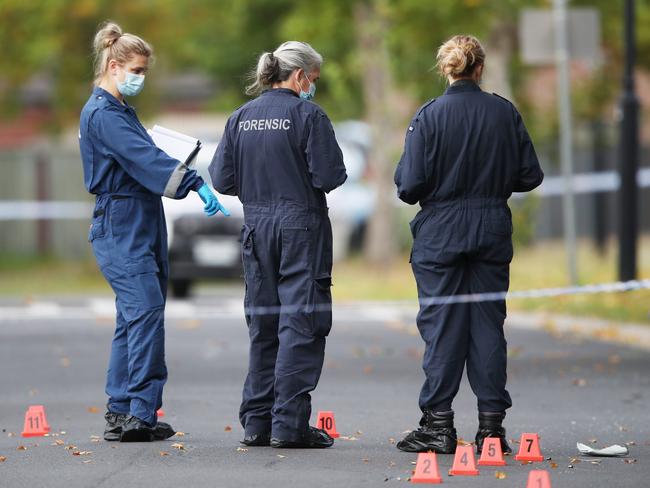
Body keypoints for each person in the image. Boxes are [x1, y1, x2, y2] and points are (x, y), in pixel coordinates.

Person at [394, 35, 544, 454]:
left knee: (442, 326)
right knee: (487, 327)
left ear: (447, 69)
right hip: (491, 226)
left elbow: (408, 186)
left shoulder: (429, 116)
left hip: (441, 230)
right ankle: (491, 429)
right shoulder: (504, 112)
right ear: (480, 69)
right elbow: (530, 176)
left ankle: (438, 424)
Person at [79, 21, 228, 442]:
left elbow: (143, 153)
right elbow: (143, 157)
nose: (141, 78)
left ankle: (123, 409)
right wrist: (192, 182)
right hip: (121, 222)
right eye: (137, 70)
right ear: (113, 64)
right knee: (144, 314)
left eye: (145, 71)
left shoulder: (119, 112)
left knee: (133, 319)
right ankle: (139, 413)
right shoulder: (104, 115)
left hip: (138, 219)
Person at [209, 41, 347, 449]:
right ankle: (288, 424)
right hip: (301, 228)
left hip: (257, 229)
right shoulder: (309, 115)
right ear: (300, 75)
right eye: (314, 80)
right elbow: (329, 176)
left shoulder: (240, 117)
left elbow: (222, 179)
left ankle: (256, 423)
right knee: (301, 324)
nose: (313, 87)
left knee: (264, 323)